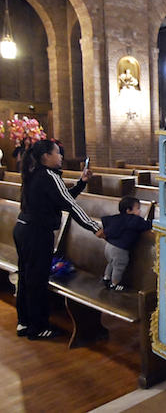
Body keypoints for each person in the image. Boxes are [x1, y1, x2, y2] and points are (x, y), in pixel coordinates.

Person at [13, 139, 103, 340]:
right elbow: (70, 205)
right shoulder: (49, 176)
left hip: (23, 229)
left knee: (26, 277)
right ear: (46, 156)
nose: (61, 156)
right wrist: (94, 227)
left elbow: (61, 199)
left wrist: (81, 183)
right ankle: (38, 328)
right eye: (57, 152)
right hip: (37, 234)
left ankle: (24, 322)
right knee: (37, 280)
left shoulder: (35, 173)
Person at [101, 196, 152, 291]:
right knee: (119, 266)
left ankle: (106, 278)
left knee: (111, 263)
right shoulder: (134, 220)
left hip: (109, 246)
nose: (140, 211)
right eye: (138, 209)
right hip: (119, 249)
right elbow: (147, 225)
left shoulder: (116, 218)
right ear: (128, 211)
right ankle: (115, 284)